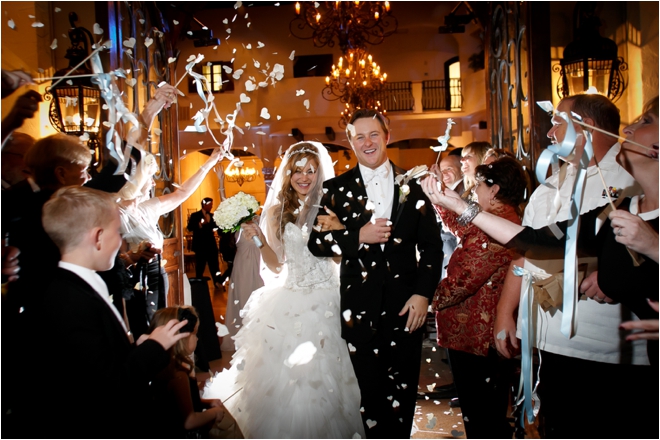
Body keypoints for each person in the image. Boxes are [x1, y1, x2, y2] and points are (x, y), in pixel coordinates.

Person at [422, 94, 656, 438]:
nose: (549, 133)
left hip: (608, 348)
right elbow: (532, 244)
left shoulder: (624, 189)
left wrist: (626, 263)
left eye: (558, 122)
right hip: (551, 344)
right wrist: (457, 204)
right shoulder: (570, 193)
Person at [308, 109, 443, 438]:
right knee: (371, 399)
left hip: (406, 308)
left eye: (373, 135)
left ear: (387, 136)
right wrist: (357, 236)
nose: (367, 142)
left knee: (404, 396)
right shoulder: (335, 189)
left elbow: (432, 247)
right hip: (360, 311)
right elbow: (318, 242)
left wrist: (423, 294)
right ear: (350, 142)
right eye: (359, 136)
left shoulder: (414, 185)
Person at [214, 141, 365, 439]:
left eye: (311, 170)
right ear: (289, 174)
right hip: (290, 298)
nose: (304, 177)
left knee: (329, 377)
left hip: (327, 299)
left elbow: (339, 257)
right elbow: (275, 266)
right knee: (288, 381)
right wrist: (258, 239)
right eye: (298, 171)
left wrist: (337, 229)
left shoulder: (330, 206)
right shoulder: (276, 212)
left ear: (320, 172)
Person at [32, 186, 191, 438]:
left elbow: (98, 357)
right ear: (97, 237)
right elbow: (110, 386)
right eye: (117, 232)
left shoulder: (82, 283)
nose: (121, 241)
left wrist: (137, 348)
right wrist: (155, 347)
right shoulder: (68, 300)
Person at [431, 157, 525, 438]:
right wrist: (438, 194)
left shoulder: (501, 225)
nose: (475, 191)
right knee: (482, 413)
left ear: (494, 190)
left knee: (484, 417)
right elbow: (460, 224)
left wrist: (428, 299)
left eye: (480, 185)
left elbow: (464, 280)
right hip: (473, 335)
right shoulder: (494, 217)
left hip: (478, 337)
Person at [117, 146, 221, 339]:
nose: (152, 182)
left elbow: (182, 193)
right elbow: (114, 258)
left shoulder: (146, 209)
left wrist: (209, 164)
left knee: (161, 324)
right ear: (136, 180)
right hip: (135, 280)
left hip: (158, 274)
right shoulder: (116, 213)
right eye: (149, 177)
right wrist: (133, 256)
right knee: (143, 329)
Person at [149, 306, 226, 438]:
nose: (197, 339)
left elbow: (177, 405)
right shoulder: (178, 375)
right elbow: (189, 421)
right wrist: (215, 412)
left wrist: (206, 403)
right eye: (195, 334)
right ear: (182, 338)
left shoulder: (162, 367)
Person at [220, 216, 264, 352]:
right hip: (243, 267)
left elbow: (262, 244)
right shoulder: (235, 226)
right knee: (243, 299)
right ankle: (244, 339)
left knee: (260, 300)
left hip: (259, 265)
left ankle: (259, 337)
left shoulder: (260, 221)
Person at [187, 197, 223, 287]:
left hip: (211, 245)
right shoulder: (195, 215)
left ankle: (217, 282)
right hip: (200, 246)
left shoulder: (212, 216)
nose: (211, 206)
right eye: (210, 204)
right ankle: (198, 284)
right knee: (200, 266)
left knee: (215, 266)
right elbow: (190, 227)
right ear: (204, 204)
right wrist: (200, 224)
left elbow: (216, 228)